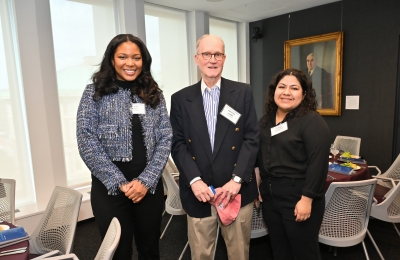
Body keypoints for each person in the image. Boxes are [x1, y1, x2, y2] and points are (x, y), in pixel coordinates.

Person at [76, 34, 172, 260]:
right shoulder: (93, 93)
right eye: (123, 57)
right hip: (109, 189)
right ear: (111, 59)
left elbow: (166, 137)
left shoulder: (153, 94)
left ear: (143, 61)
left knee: (150, 249)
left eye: (136, 58)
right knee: (118, 252)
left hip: (149, 189)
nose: (130, 63)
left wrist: (146, 181)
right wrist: (120, 183)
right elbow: (86, 140)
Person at [170, 34, 259, 260]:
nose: (212, 59)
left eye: (217, 54)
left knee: (239, 254)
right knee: (200, 254)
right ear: (197, 58)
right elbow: (178, 143)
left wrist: (236, 180)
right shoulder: (180, 99)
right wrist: (194, 181)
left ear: (224, 58)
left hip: (235, 190)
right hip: (199, 193)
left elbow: (251, 138)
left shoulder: (243, 92)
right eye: (206, 54)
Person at [255, 68, 330, 260]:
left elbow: (318, 163)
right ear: (274, 92)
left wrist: (307, 199)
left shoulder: (312, 121)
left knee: (304, 253)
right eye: (281, 87)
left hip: (298, 196)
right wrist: (256, 184)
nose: (286, 92)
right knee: (279, 250)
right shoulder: (266, 121)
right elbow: (258, 155)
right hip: (270, 198)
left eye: (294, 88)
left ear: (304, 94)